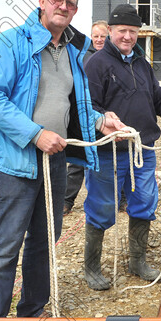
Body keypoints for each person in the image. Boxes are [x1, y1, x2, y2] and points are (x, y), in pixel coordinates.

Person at [0, 0, 123, 318]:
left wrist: (103, 122)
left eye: (71, 3)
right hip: (17, 162)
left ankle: (31, 309)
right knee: (6, 245)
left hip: (56, 162)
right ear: (41, 1)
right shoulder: (11, 43)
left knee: (45, 241)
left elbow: (76, 105)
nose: (64, 6)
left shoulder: (73, 53)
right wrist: (35, 134)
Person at [82, 4, 161, 290]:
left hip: (143, 152)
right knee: (102, 207)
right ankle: (92, 267)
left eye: (133, 31)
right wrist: (104, 121)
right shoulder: (96, 64)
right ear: (110, 31)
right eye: (122, 31)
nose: (128, 37)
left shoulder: (142, 64)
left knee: (144, 204)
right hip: (108, 153)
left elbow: (158, 98)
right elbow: (86, 106)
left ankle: (137, 260)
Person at [64, 20, 110, 216]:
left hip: (108, 114)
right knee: (78, 160)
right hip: (86, 113)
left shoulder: (113, 56)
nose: (99, 40)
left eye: (103, 36)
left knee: (115, 158)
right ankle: (66, 201)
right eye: (96, 36)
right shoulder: (83, 55)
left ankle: (121, 199)